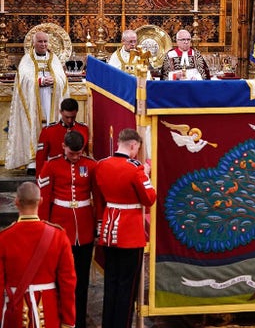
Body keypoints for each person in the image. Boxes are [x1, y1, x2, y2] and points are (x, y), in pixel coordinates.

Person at [94, 128, 156, 328]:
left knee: (111, 281)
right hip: (129, 232)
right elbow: (150, 198)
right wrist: (146, 175)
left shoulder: (102, 164)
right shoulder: (135, 168)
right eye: (137, 149)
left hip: (109, 228)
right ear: (132, 146)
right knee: (127, 287)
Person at [38, 131, 97, 328]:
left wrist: (98, 223)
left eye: (79, 153)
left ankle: (78, 320)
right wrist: (44, 228)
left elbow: (97, 196)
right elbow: (44, 199)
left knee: (82, 279)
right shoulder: (51, 165)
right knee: (60, 277)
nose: (76, 157)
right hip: (60, 228)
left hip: (85, 228)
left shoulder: (90, 165)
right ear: (64, 146)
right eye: (72, 154)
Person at [0, 181, 76, 327]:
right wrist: (68, 321)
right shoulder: (58, 236)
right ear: (41, 201)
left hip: (15, 313)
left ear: (16, 202)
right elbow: (68, 284)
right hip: (48, 312)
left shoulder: (4, 238)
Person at [6, 31, 68, 172]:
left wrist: (55, 80)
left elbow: (62, 78)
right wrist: (39, 81)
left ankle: (51, 156)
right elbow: (22, 80)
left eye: (45, 42)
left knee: (50, 125)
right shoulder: (27, 59)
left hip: (51, 99)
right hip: (34, 100)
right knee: (34, 125)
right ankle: (33, 161)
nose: (43, 44)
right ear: (33, 43)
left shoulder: (54, 59)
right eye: (40, 42)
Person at [35, 97, 89, 178]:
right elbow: (40, 158)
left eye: (73, 117)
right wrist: (40, 180)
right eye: (67, 117)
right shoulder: (48, 131)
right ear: (61, 112)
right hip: (56, 174)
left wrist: (84, 176)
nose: (70, 120)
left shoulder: (83, 129)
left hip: (77, 174)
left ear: (77, 112)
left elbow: (85, 157)